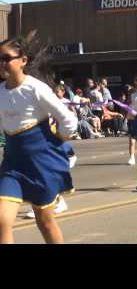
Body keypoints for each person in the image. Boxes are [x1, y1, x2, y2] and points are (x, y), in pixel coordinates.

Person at [0, 32, 78, 243]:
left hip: (41, 164)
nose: (2, 63)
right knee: (1, 219)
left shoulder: (36, 88)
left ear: (23, 60)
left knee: (44, 221)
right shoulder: (0, 92)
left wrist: (57, 141)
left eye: (6, 58)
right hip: (13, 164)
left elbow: (69, 120)